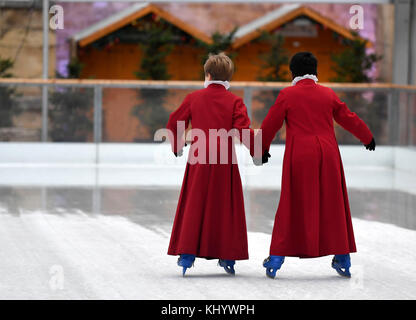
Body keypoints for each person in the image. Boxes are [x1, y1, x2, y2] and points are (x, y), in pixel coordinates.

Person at [256, 52, 376, 279]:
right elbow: (348, 117)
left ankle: (277, 257)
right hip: (329, 155)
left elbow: (270, 124)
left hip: (300, 155)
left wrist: (261, 151)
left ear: (292, 73)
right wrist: (367, 137)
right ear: (316, 72)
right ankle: (342, 256)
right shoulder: (328, 94)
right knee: (333, 204)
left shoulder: (287, 95)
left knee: (292, 203)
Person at [166, 53, 257, 276]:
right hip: (224, 157)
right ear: (229, 78)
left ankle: (187, 253)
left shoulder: (194, 98)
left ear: (207, 75)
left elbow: (175, 122)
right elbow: (244, 130)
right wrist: (258, 151)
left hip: (199, 156)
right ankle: (227, 255)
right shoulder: (235, 101)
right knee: (226, 204)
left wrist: (177, 145)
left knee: (195, 202)